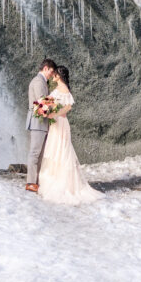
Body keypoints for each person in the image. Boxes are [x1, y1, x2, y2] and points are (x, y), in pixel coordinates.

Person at [38, 66, 102, 205]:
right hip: (55, 124)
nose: (53, 76)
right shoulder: (57, 89)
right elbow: (50, 102)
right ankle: (54, 178)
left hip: (61, 123)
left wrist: (53, 114)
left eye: (55, 75)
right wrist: (44, 108)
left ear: (59, 76)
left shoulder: (64, 89)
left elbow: (67, 108)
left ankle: (64, 183)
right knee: (54, 149)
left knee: (62, 150)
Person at [25, 58, 57, 192]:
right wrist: (55, 105)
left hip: (41, 123)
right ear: (45, 68)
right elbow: (41, 102)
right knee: (35, 152)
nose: (52, 74)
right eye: (51, 71)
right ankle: (31, 182)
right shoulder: (38, 81)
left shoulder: (42, 81)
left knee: (39, 153)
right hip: (37, 122)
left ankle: (36, 182)